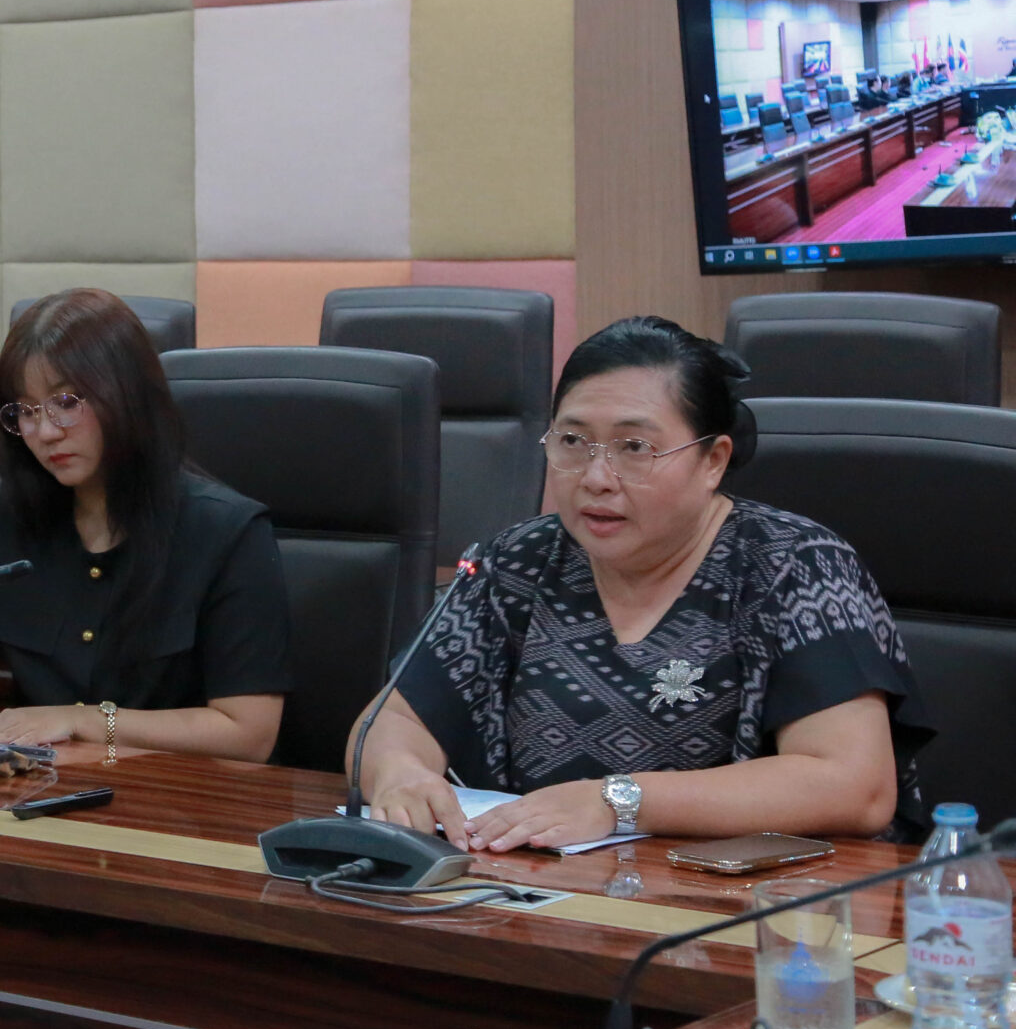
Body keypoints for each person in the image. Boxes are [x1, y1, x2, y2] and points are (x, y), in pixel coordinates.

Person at [358, 315, 928, 851]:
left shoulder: (793, 565)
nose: (596, 478)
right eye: (573, 442)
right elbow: (393, 719)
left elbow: (855, 786)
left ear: (713, 460)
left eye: (634, 448)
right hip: (543, 888)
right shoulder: (519, 561)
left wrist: (618, 801)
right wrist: (400, 774)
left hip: (754, 901)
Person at [0, 289, 291, 760]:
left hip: (181, 794)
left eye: (66, 402)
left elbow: (248, 734)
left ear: (128, 396)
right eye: (26, 411)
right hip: (35, 789)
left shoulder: (227, 532)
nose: (45, 432)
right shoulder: (5, 516)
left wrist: (81, 720)